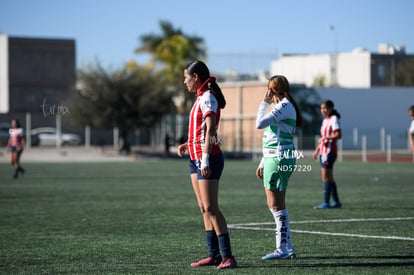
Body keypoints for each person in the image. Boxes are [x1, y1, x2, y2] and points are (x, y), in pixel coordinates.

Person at [177, 60, 237, 270]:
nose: (184, 82)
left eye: (186, 78)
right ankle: (213, 256)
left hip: (208, 157)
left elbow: (210, 131)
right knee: (204, 208)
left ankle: (228, 257)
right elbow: (199, 130)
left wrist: (204, 159)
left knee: (211, 208)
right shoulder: (200, 97)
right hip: (195, 157)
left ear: (196, 78)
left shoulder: (208, 98)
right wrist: (188, 143)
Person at [255, 75, 302, 260]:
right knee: (277, 204)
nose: (267, 94)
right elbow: (271, 137)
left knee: (275, 204)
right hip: (276, 157)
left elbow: (260, 124)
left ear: (273, 90)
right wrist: (263, 161)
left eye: (269, 90)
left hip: (279, 158)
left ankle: (281, 248)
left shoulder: (283, 106)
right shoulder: (284, 106)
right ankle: (287, 248)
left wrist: (263, 103)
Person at [312, 100, 342, 209]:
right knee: (329, 177)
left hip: (330, 152)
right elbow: (323, 138)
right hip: (323, 152)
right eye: (321, 108)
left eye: (325, 108)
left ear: (331, 108)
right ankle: (337, 202)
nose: (323, 110)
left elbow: (338, 135)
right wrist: (317, 150)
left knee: (325, 177)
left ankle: (326, 202)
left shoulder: (334, 119)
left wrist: (326, 138)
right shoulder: (325, 120)